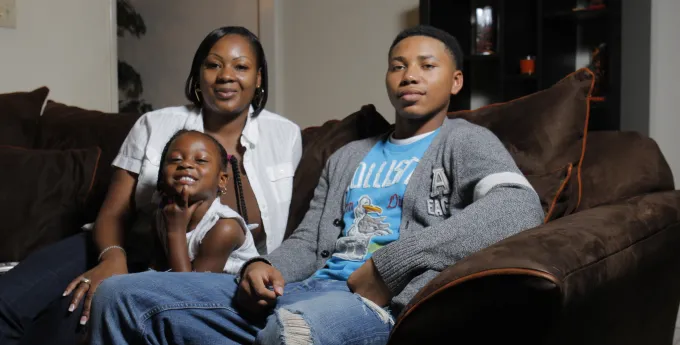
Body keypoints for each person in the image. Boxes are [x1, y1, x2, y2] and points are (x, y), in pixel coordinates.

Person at [89, 25, 544, 345]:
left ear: (456, 81)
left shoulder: (465, 141)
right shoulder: (348, 156)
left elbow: (518, 206)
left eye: (427, 66)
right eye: (398, 66)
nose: (410, 76)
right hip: (301, 290)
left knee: (292, 331)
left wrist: (391, 265)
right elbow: (309, 240)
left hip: (371, 304)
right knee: (119, 295)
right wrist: (262, 267)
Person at [0, 26, 301, 345]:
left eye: (241, 66)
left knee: (70, 324)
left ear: (258, 78)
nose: (226, 75)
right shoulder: (155, 125)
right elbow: (114, 212)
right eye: (213, 65)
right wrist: (112, 258)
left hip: (204, 272)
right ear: (198, 75)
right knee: (9, 303)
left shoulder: (284, 136)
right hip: (125, 245)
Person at [151, 130, 259, 274]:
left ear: (221, 180)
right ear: (162, 174)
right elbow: (157, 271)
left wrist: (175, 232)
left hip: (226, 293)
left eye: (200, 160)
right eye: (176, 159)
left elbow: (189, 291)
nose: (186, 164)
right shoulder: (162, 214)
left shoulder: (224, 227)